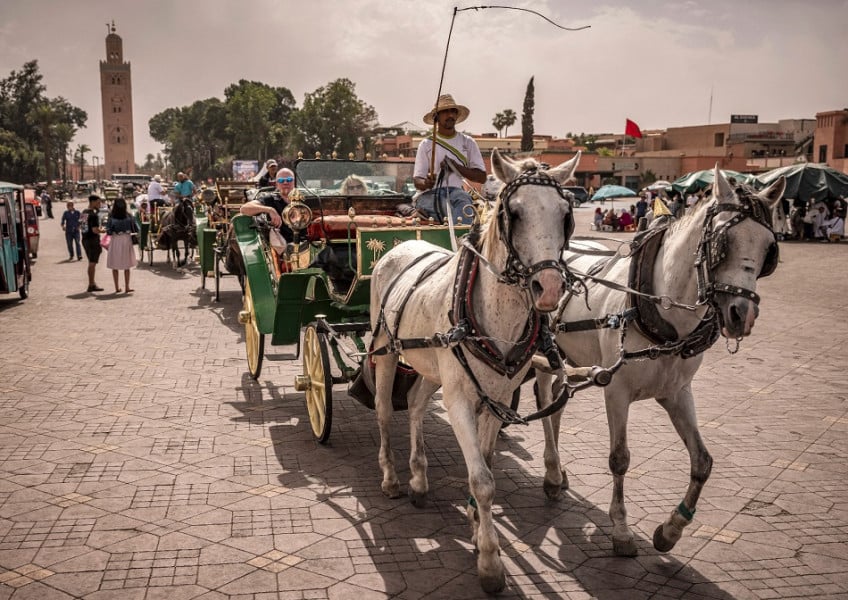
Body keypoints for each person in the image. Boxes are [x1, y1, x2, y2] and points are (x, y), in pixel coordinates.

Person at [413, 94, 486, 224]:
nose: (450, 115)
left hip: (457, 193)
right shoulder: (426, 144)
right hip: (430, 195)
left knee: (463, 202)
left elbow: (481, 177)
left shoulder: (468, 142)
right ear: (437, 117)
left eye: (453, 111)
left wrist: (456, 167)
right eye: (445, 111)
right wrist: (427, 183)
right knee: (448, 206)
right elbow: (417, 180)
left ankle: (461, 239)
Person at [240, 167, 295, 243]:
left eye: (289, 180)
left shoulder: (304, 199)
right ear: (276, 184)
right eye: (281, 180)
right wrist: (270, 210)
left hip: (307, 244)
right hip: (280, 245)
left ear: (294, 182)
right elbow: (244, 209)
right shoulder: (270, 199)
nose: (285, 182)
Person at [105, 197, 138, 293]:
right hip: (126, 239)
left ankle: (117, 287)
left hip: (115, 240)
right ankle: (127, 287)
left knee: (115, 264)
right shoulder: (128, 216)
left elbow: (109, 231)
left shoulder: (111, 216)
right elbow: (135, 228)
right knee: (126, 265)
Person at [81, 194, 105, 292]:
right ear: (92, 202)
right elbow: (95, 230)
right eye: (98, 202)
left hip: (85, 239)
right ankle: (91, 284)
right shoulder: (93, 215)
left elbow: (81, 227)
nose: (100, 204)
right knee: (92, 263)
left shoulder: (84, 212)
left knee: (91, 262)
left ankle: (92, 283)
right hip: (92, 240)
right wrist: (102, 231)